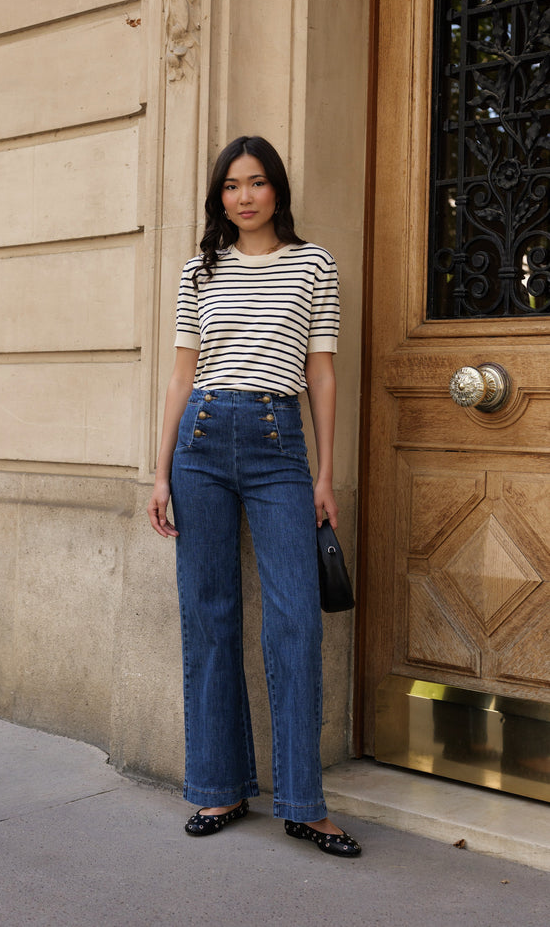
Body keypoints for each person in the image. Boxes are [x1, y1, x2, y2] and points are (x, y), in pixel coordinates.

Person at [147, 135, 361, 858]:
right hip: (201, 442)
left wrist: (326, 476)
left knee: (295, 619)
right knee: (208, 615)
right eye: (232, 186)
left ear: (278, 192)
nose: (244, 196)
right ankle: (219, 785)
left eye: (257, 183)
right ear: (220, 198)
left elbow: (322, 374)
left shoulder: (315, 264)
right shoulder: (198, 270)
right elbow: (181, 373)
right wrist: (159, 469)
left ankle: (303, 802)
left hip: (279, 447)